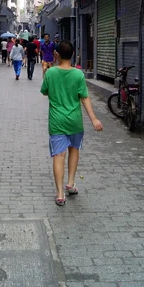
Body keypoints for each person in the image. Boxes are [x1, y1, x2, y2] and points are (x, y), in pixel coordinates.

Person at [40, 40, 103, 206]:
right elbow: (84, 97)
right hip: (75, 120)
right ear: (73, 54)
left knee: (58, 155)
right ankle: (71, 183)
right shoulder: (78, 74)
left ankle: (60, 193)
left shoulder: (51, 73)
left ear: (57, 55)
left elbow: (44, 92)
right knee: (74, 150)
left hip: (57, 121)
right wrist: (94, 119)